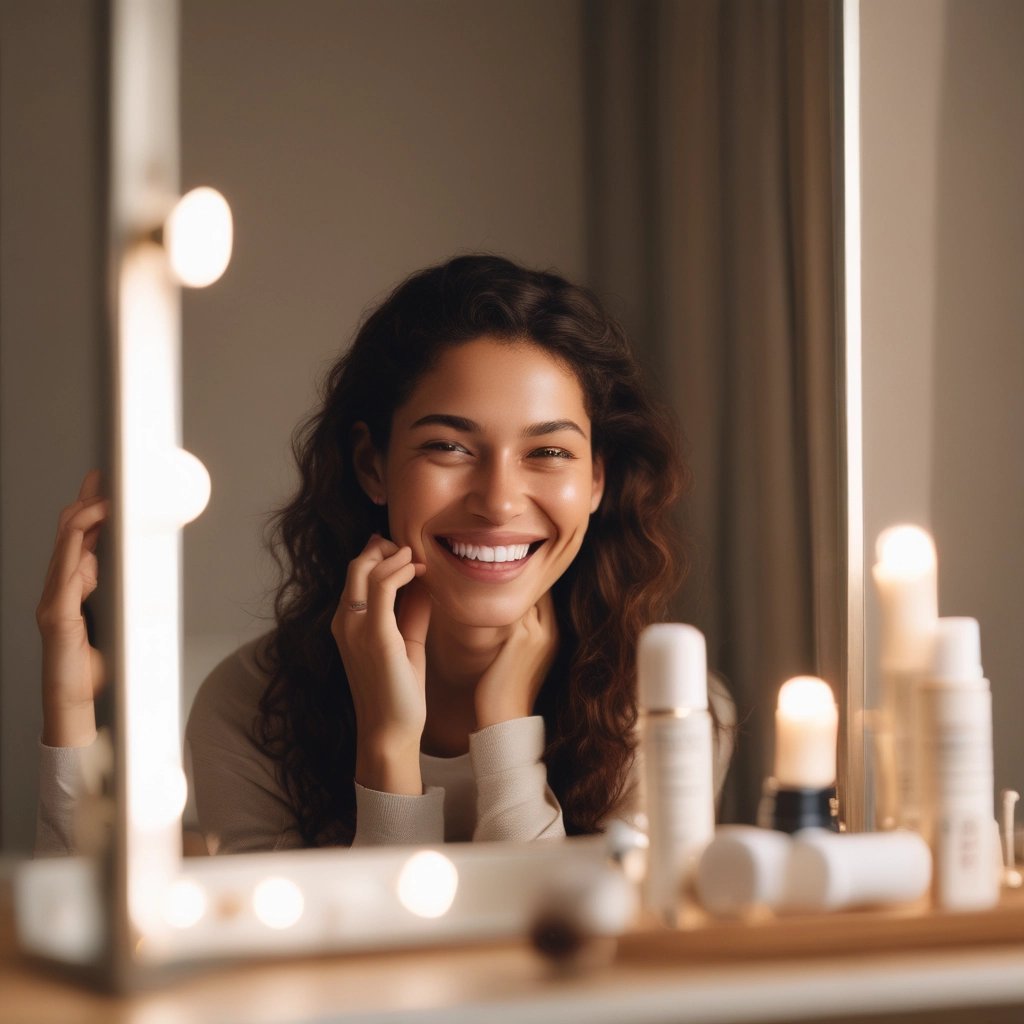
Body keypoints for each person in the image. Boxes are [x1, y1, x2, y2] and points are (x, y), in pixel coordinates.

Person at [35, 254, 732, 856]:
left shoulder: (666, 710)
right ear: (373, 464)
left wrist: (506, 733)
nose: (498, 499)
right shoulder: (251, 707)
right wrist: (389, 747)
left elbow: (578, 996)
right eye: (449, 447)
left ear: (598, 480)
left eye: (548, 452)